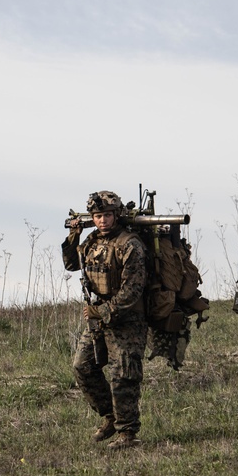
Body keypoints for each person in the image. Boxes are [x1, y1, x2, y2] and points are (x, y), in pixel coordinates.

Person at [62, 191, 148, 449]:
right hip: (98, 317)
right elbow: (70, 265)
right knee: (83, 367)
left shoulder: (130, 244)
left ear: (116, 215)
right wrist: (72, 238)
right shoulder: (90, 242)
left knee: (123, 375)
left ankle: (128, 433)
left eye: (107, 215)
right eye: (98, 216)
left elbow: (133, 289)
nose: (102, 220)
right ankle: (110, 417)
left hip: (127, 319)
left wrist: (105, 311)